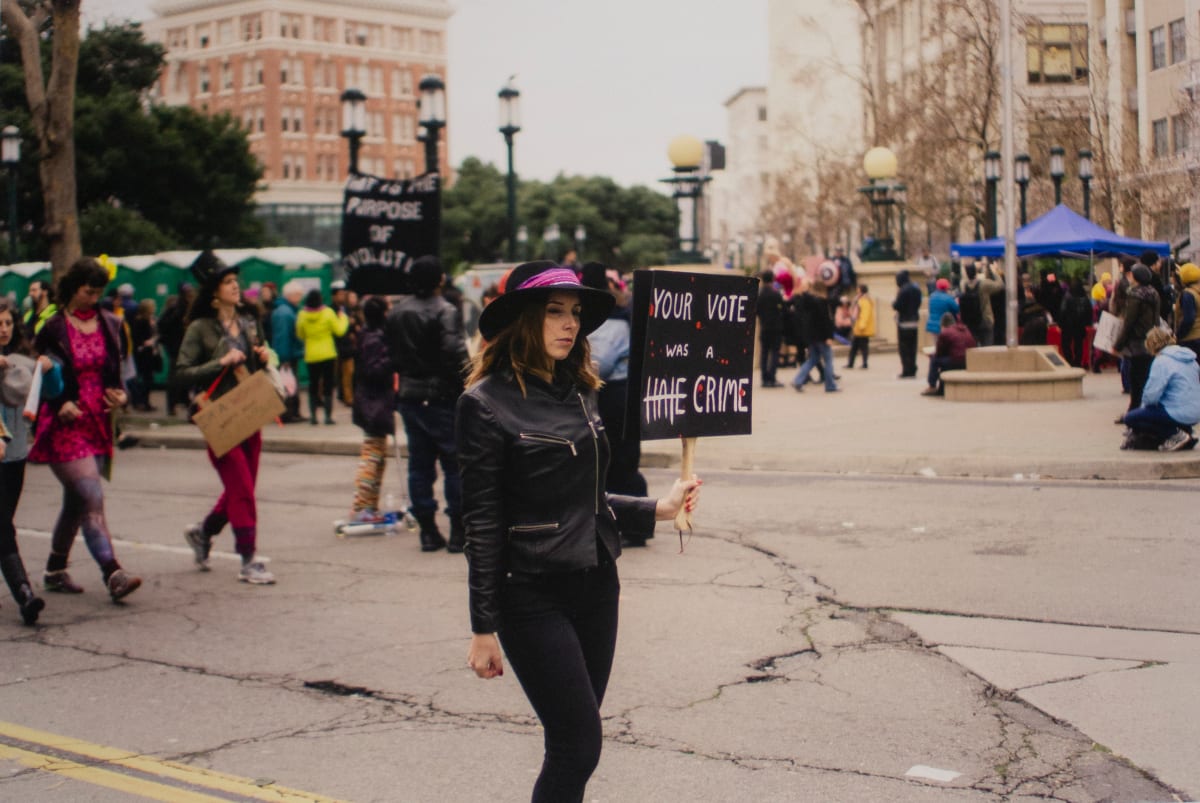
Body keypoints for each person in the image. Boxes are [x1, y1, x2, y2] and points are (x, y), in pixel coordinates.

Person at [457, 260, 701, 803]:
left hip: (596, 583)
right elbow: (484, 522)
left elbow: (584, 498)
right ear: (522, 319)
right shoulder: (484, 405)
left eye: (574, 314)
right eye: (554, 312)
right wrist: (483, 627)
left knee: (574, 742)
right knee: (578, 744)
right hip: (531, 592)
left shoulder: (580, 391)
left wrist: (656, 509)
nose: (570, 324)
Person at [30, 257, 141, 602]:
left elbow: (115, 371)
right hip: (64, 420)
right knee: (91, 495)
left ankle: (54, 569)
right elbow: (39, 375)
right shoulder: (52, 327)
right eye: (87, 292)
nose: (93, 299)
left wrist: (120, 395)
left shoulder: (110, 323)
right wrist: (58, 399)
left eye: (98, 293)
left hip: (97, 419)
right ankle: (113, 572)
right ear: (71, 288)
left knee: (76, 502)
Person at [175, 251, 277, 585]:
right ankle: (248, 560)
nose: (236, 287)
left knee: (241, 488)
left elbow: (264, 358)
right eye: (228, 282)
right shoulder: (200, 328)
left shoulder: (249, 320)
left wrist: (263, 355)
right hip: (219, 419)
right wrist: (219, 363)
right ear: (214, 291)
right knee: (243, 489)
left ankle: (203, 534)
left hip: (251, 411)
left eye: (236, 281)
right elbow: (181, 374)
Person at [385, 255, 469, 553]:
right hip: (441, 396)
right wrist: (468, 383)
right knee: (454, 464)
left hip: (410, 394)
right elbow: (455, 352)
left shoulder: (397, 312)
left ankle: (428, 530)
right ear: (439, 280)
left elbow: (390, 353)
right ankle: (458, 530)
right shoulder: (444, 310)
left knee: (419, 465)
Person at [0, 299, 62, 624]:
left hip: (14, 457)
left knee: (4, 521)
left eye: (8, 323)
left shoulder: (21, 361)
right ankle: (25, 594)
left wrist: (50, 371)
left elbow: (52, 392)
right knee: (2, 526)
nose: (4, 329)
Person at [581, 263, 648, 517]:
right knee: (621, 461)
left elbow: (602, 365)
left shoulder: (610, 321)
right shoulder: (620, 316)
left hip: (613, 395)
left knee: (617, 461)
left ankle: (633, 521)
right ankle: (630, 520)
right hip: (620, 395)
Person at [348, 296, 396, 522]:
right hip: (373, 403)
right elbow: (374, 370)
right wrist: (393, 359)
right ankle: (361, 506)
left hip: (373, 402)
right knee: (372, 455)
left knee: (378, 455)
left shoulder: (368, 334)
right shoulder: (376, 339)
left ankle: (369, 505)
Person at [1122, 328, 1200, 451]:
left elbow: (1151, 396)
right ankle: (1186, 432)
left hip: (1177, 412)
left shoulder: (1161, 361)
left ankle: (1174, 434)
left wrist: (1144, 408)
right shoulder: (1190, 358)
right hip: (1196, 411)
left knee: (1131, 418)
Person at [296, 287, 348, 425]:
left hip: (311, 354)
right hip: (328, 353)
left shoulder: (302, 315)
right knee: (328, 384)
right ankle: (328, 417)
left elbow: (300, 334)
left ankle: (313, 417)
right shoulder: (328, 313)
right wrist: (343, 318)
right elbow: (339, 330)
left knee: (313, 385)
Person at [1114, 264, 1161, 416]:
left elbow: (1129, 322)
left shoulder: (1135, 295)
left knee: (1136, 379)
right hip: (1151, 340)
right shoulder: (1153, 293)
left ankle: (1134, 413)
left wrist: (1118, 344)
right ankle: (1144, 409)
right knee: (1147, 376)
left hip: (1137, 342)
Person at [792, 276, 840, 393]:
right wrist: (829, 336)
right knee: (828, 360)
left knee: (813, 359)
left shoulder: (808, 301)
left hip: (811, 336)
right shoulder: (822, 302)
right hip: (822, 336)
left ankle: (798, 380)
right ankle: (830, 385)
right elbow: (826, 321)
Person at [157, 283, 196, 417]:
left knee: (185, 376)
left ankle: (183, 400)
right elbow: (163, 325)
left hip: (185, 347)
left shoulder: (188, 307)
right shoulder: (178, 309)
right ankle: (173, 404)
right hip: (177, 348)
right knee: (175, 377)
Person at [270, 281, 305, 423]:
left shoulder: (285, 310)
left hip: (288, 353)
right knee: (288, 384)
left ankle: (292, 412)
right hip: (287, 355)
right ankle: (288, 413)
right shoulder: (286, 313)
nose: (300, 297)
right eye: (298, 295)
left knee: (289, 383)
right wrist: (284, 358)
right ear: (291, 295)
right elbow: (283, 337)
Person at [922, 312, 976, 396]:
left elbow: (939, 353)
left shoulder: (945, 333)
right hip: (968, 360)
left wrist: (931, 355)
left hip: (955, 361)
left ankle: (932, 386)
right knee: (944, 362)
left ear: (942, 325)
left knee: (934, 360)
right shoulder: (965, 329)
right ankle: (941, 388)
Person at [755, 269, 785, 387]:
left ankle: (764, 377)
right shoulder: (775, 293)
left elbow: (756, 310)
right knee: (774, 353)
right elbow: (783, 309)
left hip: (764, 327)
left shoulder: (760, 294)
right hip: (776, 327)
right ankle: (772, 377)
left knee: (764, 353)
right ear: (773, 279)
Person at [129, 299, 160, 411]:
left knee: (146, 378)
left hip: (147, 353)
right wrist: (146, 342)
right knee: (146, 379)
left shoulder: (150, 320)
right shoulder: (141, 321)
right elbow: (137, 338)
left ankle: (143, 401)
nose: (155, 308)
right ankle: (142, 401)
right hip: (144, 353)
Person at [893, 270, 922, 378]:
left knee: (904, 348)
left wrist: (894, 304)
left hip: (904, 322)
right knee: (912, 348)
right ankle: (912, 368)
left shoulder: (903, 290)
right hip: (914, 321)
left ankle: (906, 370)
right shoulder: (916, 289)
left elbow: (897, 305)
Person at [1058, 279, 1093, 368]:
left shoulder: (1067, 296)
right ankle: (1077, 361)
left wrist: (1060, 324)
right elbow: (1089, 311)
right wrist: (1087, 323)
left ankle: (1069, 361)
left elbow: (1063, 311)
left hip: (1068, 325)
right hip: (1080, 325)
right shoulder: (1085, 297)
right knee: (1079, 344)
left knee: (1066, 344)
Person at [1172, 263, 1200, 360]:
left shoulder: (1188, 294)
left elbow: (1188, 319)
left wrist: (1178, 335)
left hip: (1190, 339)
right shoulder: (1197, 291)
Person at [846, 284, 875, 369]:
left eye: (858, 289)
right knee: (855, 346)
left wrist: (862, 325)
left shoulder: (864, 300)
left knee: (863, 347)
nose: (857, 290)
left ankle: (863, 363)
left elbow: (865, 314)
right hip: (858, 327)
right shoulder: (859, 299)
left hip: (862, 328)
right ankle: (851, 363)